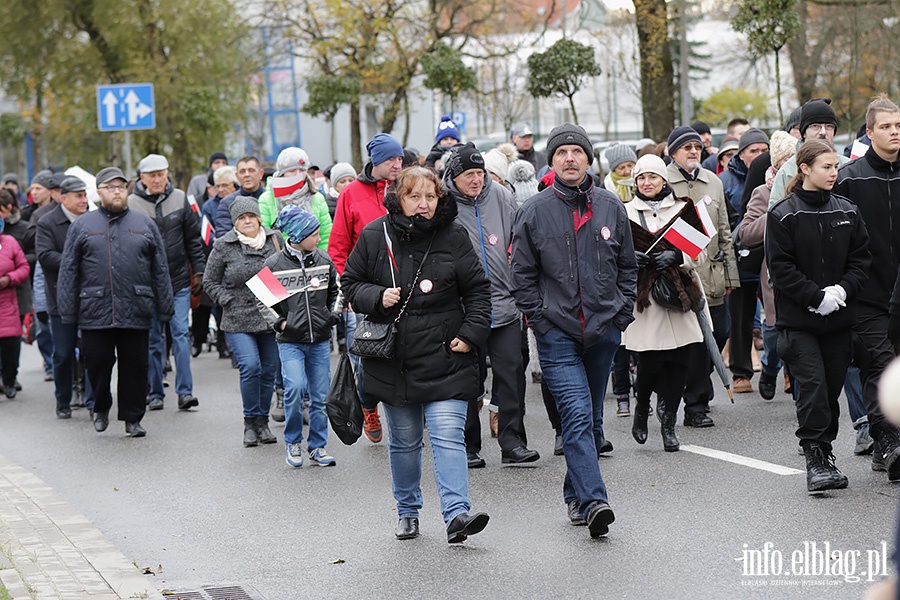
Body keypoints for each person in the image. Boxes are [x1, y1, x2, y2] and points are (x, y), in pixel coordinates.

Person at [342, 166, 492, 542]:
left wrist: (470, 335)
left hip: (447, 355)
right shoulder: (376, 235)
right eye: (414, 196)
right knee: (405, 442)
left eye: (430, 197)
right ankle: (407, 509)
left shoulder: (454, 235)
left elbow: (477, 291)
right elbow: (350, 283)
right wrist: (375, 297)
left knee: (446, 435)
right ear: (398, 198)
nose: (423, 204)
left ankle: (457, 514)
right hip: (395, 359)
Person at [510, 123, 637, 538]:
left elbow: (627, 267)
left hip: (603, 331)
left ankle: (574, 495)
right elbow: (522, 276)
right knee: (577, 415)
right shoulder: (533, 211)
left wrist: (620, 315)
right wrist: (539, 321)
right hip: (557, 333)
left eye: (576, 152)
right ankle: (596, 501)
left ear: (587, 159)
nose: (569, 158)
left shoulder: (609, 206)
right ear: (551, 160)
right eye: (561, 152)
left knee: (591, 420)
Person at [766, 140, 870, 492]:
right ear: (805, 168)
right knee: (811, 387)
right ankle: (814, 457)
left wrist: (841, 290)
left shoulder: (848, 210)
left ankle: (824, 453)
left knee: (830, 392)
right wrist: (815, 297)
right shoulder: (783, 214)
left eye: (835, 166)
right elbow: (781, 269)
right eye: (826, 166)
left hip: (838, 320)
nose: (833, 173)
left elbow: (861, 260)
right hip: (799, 322)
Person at [56, 167, 174, 438]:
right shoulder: (83, 226)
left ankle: (133, 417)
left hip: (136, 305)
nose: (117, 192)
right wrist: (68, 311)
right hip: (95, 309)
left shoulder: (144, 224)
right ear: (98, 192)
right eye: (110, 187)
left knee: (135, 366)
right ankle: (100, 406)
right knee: (97, 362)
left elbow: (160, 268)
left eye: (121, 187)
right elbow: (69, 270)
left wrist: (165, 305)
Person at [443, 142, 540, 468]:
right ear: (454, 176)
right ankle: (468, 445)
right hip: (463, 308)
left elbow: (520, 238)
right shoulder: (443, 204)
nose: (476, 180)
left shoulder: (500, 195)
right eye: (469, 174)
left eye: (480, 172)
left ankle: (512, 442)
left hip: (504, 301)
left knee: (512, 371)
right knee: (467, 378)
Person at [623, 154, 708, 452]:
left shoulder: (684, 208)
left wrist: (679, 256)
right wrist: (627, 259)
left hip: (679, 294)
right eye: (641, 178)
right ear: (635, 182)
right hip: (646, 298)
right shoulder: (625, 213)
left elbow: (701, 251)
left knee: (681, 362)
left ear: (664, 180)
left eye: (653, 177)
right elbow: (610, 251)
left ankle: (669, 423)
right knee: (651, 360)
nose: (647, 183)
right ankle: (642, 406)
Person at [837, 95, 900, 480]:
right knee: (879, 366)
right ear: (870, 132)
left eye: (899, 126)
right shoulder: (850, 178)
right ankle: (888, 441)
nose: (895, 133)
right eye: (887, 127)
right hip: (868, 293)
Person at [329, 133, 404, 444]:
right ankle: (369, 405)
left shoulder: (407, 187)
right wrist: (352, 287)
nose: (398, 165)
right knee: (369, 354)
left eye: (400, 159)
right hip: (367, 291)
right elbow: (338, 246)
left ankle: (408, 410)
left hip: (406, 286)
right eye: (391, 160)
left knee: (407, 351)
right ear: (376, 161)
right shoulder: (351, 194)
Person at [666, 127, 739, 426]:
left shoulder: (713, 181)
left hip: (713, 274)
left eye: (697, 146)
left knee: (721, 331)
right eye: (686, 147)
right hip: (681, 276)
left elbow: (724, 231)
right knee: (694, 342)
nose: (694, 151)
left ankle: (698, 383)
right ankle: (695, 404)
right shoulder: (664, 181)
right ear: (673, 153)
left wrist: (732, 275)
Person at [260, 206, 340, 468]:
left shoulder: (324, 260)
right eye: (314, 234)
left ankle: (318, 446)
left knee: (320, 397)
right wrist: (281, 323)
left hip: (319, 340)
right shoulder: (273, 264)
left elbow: (337, 291)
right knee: (294, 389)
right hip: (290, 342)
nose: (319, 239)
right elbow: (263, 302)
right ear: (297, 235)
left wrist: (333, 314)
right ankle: (293, 441)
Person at [128, 153, 205, 412]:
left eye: (162, 174)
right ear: (142, 178)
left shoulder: (180, 198)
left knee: (181, 334)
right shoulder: (131, 203)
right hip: (146, 283)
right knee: (152, 339)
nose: (158, 179)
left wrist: (199, 273)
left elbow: (193, 239)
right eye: (152, 175)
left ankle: (185, 392)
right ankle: (155, 391)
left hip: (178, 279)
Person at [204, 197, 282, 447]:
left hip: (270, 315)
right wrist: (226, 299)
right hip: (237, 317)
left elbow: (283, 272)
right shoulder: (223, 245)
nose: (247, 221)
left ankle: (263, 422)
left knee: (269, 370)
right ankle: (250, 422)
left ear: (258, 217)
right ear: (235, 223)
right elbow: (209, 281)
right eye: (241, 218)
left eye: (251, 216)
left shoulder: (274, 240)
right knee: (251, 366)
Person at [36, 176, 93, 419]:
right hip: (60, 299)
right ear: (63, 198)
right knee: (63, 354)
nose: (84, 200)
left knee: (94, 352)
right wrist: (76, 262)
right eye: (78, 196)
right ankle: (63, 400)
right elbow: (45, 256)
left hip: (92, 297)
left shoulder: (94, 219)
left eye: (85, 195)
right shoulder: (47, 222)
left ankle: (94, 402)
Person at [258, 148, 332, 250]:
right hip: (279, 260)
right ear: (281, 173)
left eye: (302, 170)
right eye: (292, 170)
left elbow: (325, 236)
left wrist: (321, 260)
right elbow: (264, 236)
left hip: (313, 260)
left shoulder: (317, 197)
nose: (298, 174)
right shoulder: (267, 199)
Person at [0, 221, 29, 399]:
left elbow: (24, 267)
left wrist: (9, 279)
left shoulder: (9, 242)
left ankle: (9, 380)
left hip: (7, 303)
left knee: (10, 346)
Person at [215, 156, 266, 237]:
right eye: (242, 171)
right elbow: (223, 236)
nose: (247, 175)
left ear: (261, 174)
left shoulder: (272, 198)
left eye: (251, 170)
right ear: (237, 176)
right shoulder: (226, 203)